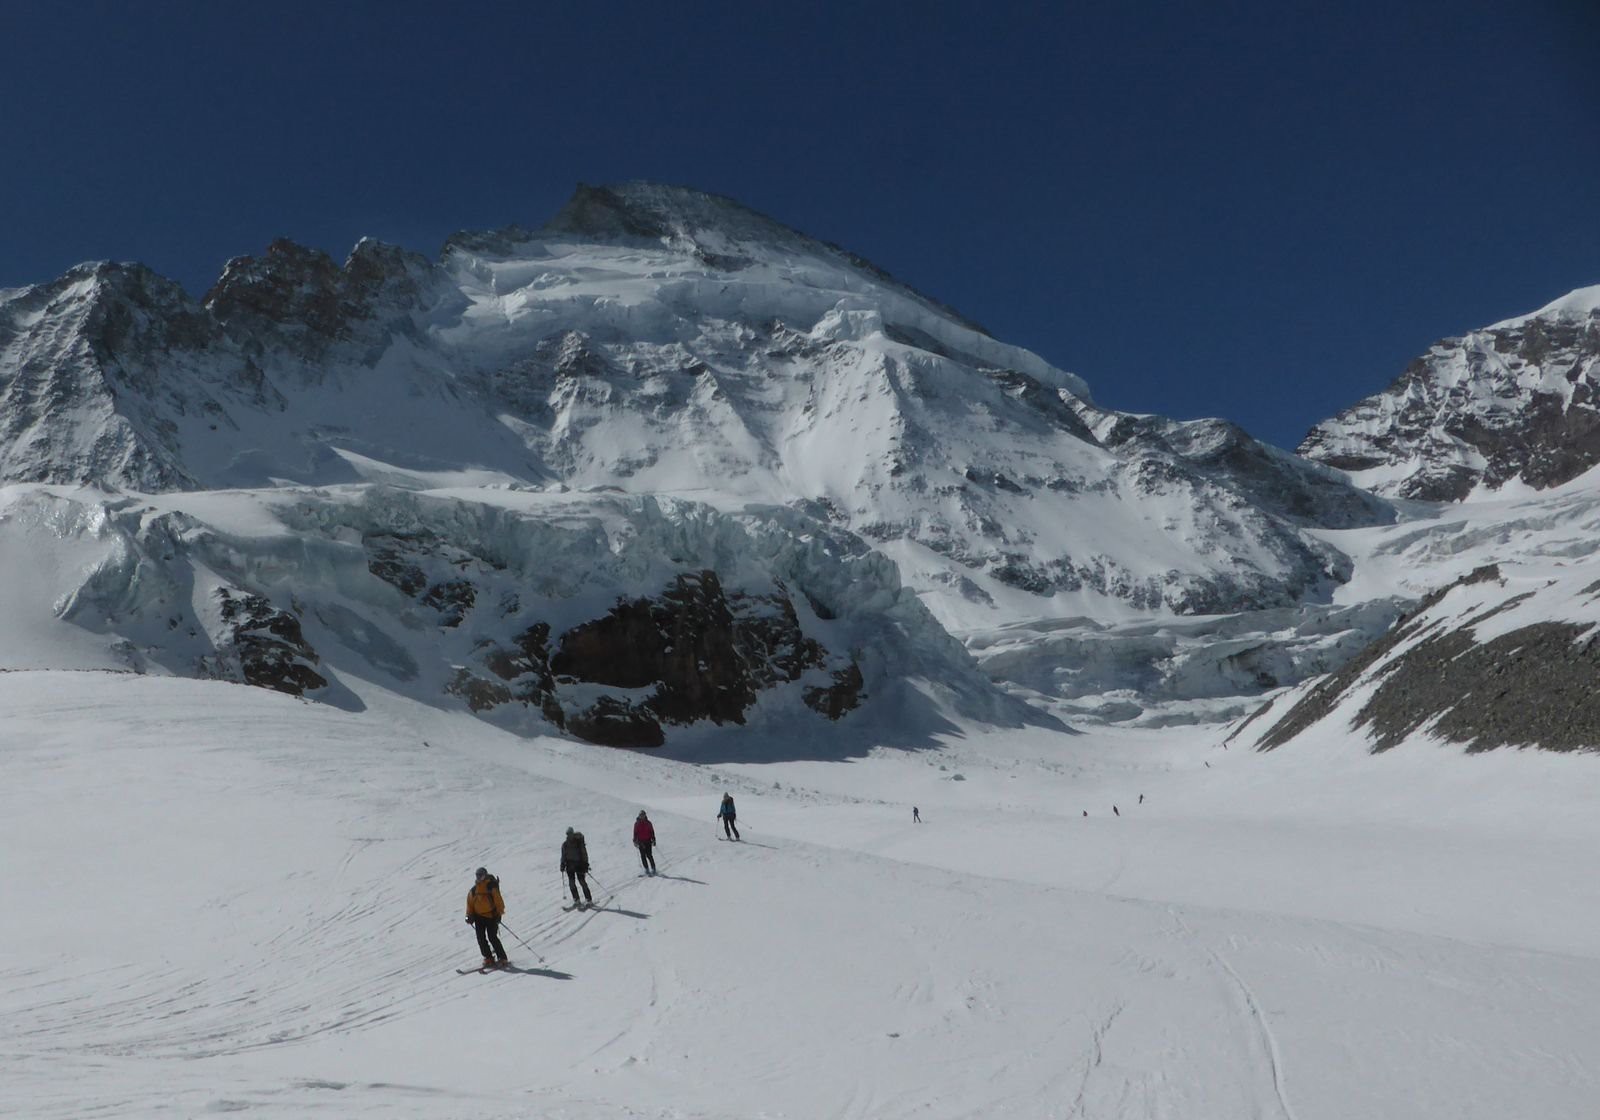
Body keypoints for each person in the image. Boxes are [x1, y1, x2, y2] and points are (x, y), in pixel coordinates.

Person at [464, 867, 507, 968]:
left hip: (491, 916)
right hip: (479, 918)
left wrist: (499, 914)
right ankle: (488, 957)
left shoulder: (491, 887)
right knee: (481, 938)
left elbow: (498, 901)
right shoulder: (474, 891)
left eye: (481, 875)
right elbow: (470, 904)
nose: (479, 878)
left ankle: (502, 958)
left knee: (492, 937)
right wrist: (469, 916)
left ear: (485, 875)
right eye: (477, 876)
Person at [561, 827, 594, 908]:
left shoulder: (578, 843)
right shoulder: (565, 844)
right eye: (568, 834)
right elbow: (563, 855)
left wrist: (585, 864)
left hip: (579, 865)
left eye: (570, 834)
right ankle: (576, 899)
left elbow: (584, 853)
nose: (569, 836)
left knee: (582, 882)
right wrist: (562, 864)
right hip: (569, 866)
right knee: (571, 883)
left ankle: (588, 899)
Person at [633, 810, 657, 875]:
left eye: (643, 815)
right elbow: (635, 833)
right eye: (641, 815)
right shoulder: (637, 824)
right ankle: (646, 869)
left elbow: (652, 832)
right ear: (639, 816)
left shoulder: (648, 823)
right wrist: (635, 840)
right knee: (643, 856)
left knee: (649, 855)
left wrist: (654, 839)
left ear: (645, 815)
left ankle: (653, 868)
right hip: (641, 842)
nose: (642, 816)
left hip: (648, 841)